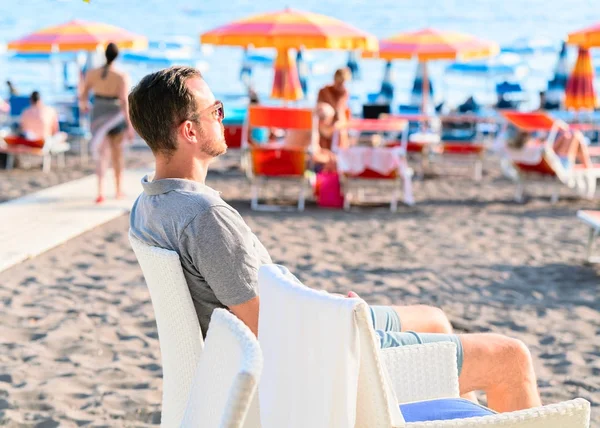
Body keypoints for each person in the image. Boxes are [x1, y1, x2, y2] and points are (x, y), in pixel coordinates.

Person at [129, 66, 542, 413]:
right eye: (215, 110)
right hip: (312, 363)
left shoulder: (151, 204)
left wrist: (326, 305)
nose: (223, 117)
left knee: (433, 318)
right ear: (188, 131)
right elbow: (264, 327)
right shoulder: (206, 217)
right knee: (511, 358)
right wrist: (333, 315)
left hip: (295, 332)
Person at [79, 42, 134, 204]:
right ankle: (118, 190)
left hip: (98, 114)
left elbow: (83, 95)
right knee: (117, 155)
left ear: (105, 55)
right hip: (116, 115)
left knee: (101, 155)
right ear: (117, 56)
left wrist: (85, 107)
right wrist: (130, 125)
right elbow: (124, 101)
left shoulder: (91, 73)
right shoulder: (121, 76)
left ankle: (100, 191)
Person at [509, 123, 592, 170]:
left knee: (569, 136)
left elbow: (550, 151)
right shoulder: (533, 148)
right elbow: (549, 151)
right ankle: (588, 165)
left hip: (545, 165)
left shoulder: (520, 149)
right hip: (559, 166)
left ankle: (587, 164)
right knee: (575, 135)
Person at [317, 68, 351, 150]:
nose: (341, 86)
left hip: (336, 127)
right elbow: (320, 112)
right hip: (324, 127)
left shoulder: (344, 93)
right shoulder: (324, 91)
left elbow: (340, 112)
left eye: (343, 83)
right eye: (340, 83)